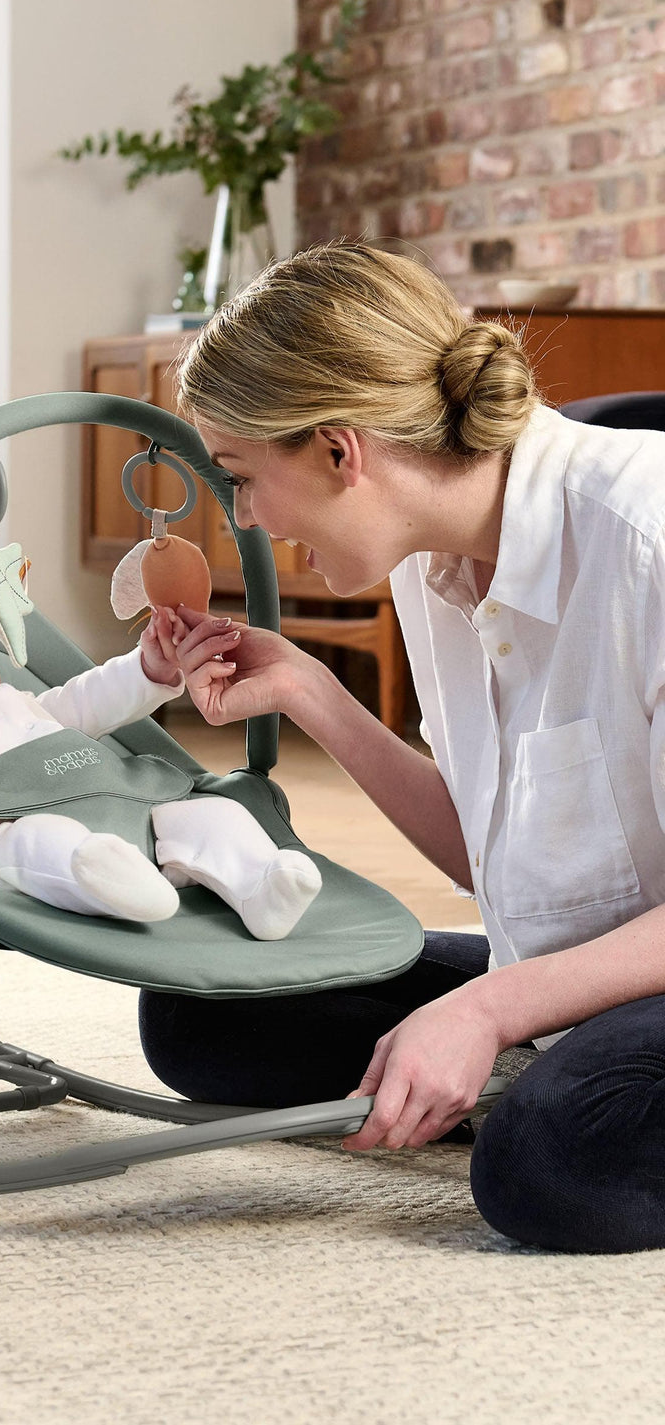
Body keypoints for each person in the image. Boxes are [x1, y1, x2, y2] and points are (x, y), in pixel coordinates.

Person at [143, 238, 665, 1253]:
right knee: (200, 1016)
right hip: (592, 978)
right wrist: (311, 692)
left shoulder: (648, 539)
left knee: (549, 1161)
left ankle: (535, 1087)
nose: (244, 517)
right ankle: (538, 1071)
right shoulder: (435, 564)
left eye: (242, 477)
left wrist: (487, 1012)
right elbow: (496, 858)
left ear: (341, 452)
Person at [0, 583, 322, 937]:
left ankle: (262, 885)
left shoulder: (18, 703)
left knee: (211, 812)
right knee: (36, 841)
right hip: (6, 830)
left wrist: (149, 667)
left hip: (124, 811)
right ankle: (114, 883)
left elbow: (87, 700)